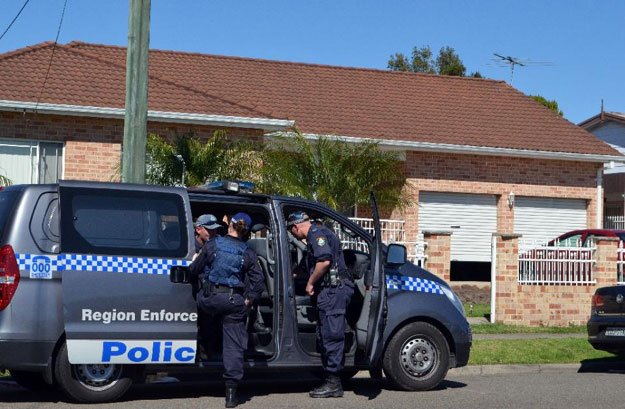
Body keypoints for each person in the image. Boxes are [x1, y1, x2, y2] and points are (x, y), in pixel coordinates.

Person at [190, 212, 265, 408]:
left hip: (210, 300)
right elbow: (258, 281)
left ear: (229, 225)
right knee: (233, 344)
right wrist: (248, 300)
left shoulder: (212, 244)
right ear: (245, 231)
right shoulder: (248, 252)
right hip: (233, 302)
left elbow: (194, 270)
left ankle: (206, 348)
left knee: (203, 309)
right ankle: (231, 391)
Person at [287, 210, 354, 398]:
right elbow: (309, 263)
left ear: (296, 226)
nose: (293, 235)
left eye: (292, 232)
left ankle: (334, 383)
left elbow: (324, 262)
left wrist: (309, 282)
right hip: (330, 292)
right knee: (325, 334)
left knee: (331, 335)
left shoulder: (316, 234)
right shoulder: (316, 235)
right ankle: (331, 379)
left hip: (333, 291)